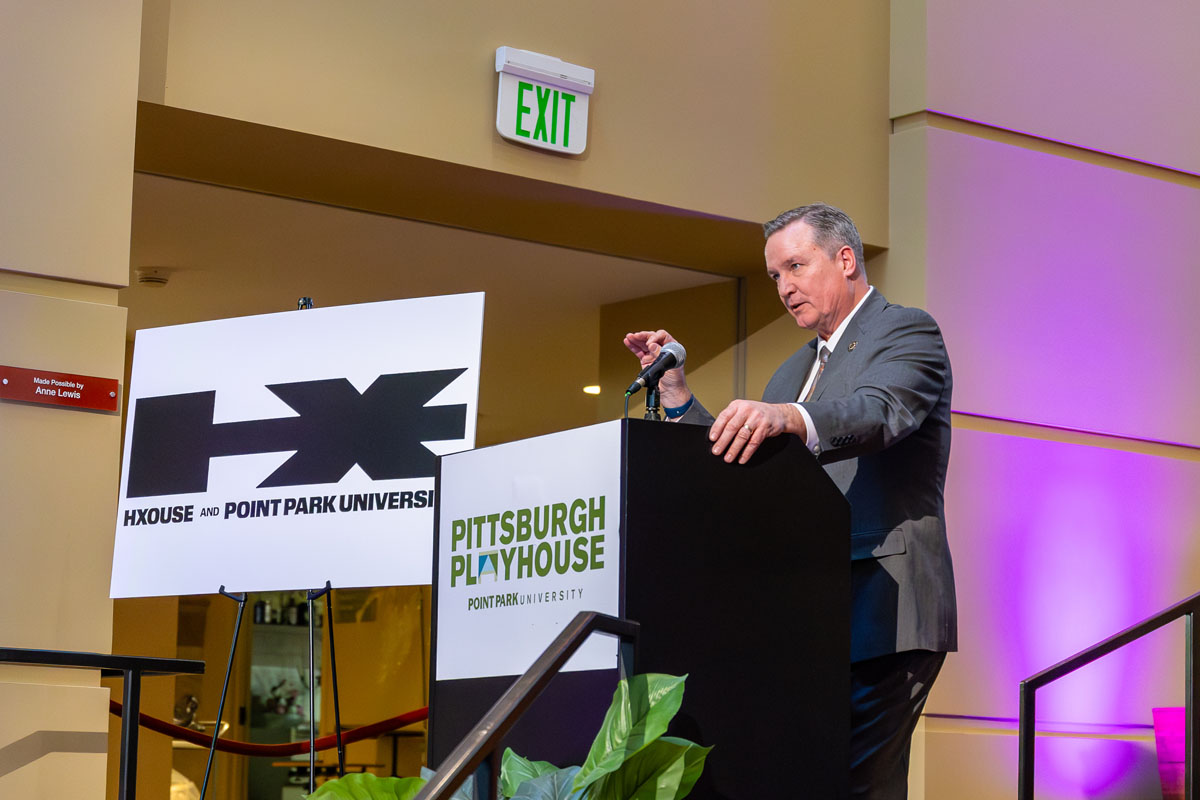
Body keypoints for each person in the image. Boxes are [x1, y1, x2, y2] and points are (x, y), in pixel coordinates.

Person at [624, 203, 956, 799]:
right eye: (775, 275)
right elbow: (753, 463)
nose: (784, 287)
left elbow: (880, 413)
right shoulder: (791, 372)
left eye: (795, 266)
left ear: (846, 259)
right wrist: (679, 401)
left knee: (854, 783)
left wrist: (790, 417)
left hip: (884, 603)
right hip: (806, 614)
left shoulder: (906, 330)